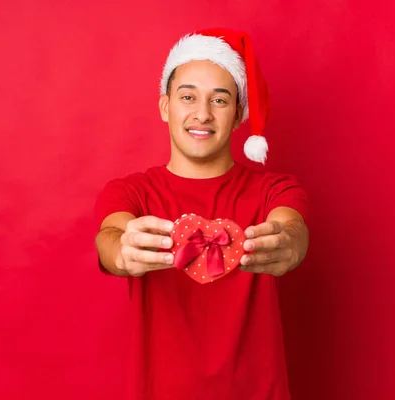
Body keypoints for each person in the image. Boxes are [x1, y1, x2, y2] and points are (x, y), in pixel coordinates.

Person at [94, 28, 310, 400]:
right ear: (166, 106)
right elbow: (110, 239)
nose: (202, 114)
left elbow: (294, 227)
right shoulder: (131, 193)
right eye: (188, 96)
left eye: (220, 100)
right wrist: (124, 251)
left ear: (239, 112)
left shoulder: (274, 190)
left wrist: (287, 244)